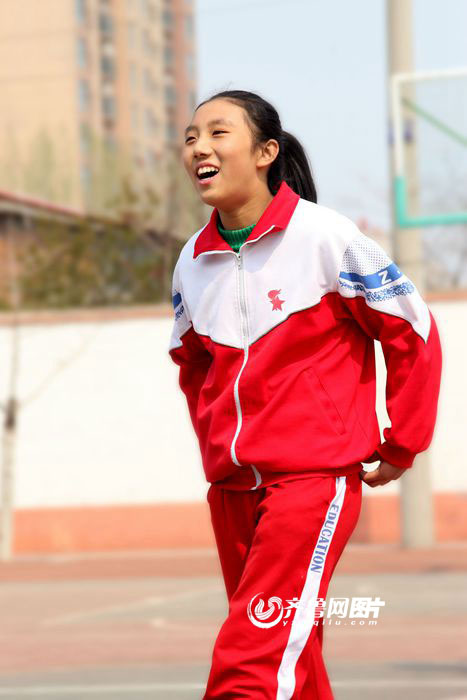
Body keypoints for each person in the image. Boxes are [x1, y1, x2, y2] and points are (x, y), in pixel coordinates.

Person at [167, 89, 442, 699]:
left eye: (218, 133)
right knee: (294, 651)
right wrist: (218, 447)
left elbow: (412, 330)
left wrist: (403, 441)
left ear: (266, 152)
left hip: (310, 482)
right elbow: (193, 365)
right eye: (190, 138)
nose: (199, 148)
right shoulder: (192, 261)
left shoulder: (326, 237)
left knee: (252, 657)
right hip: (233, 491)